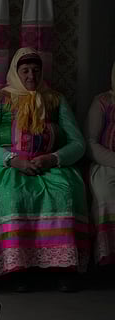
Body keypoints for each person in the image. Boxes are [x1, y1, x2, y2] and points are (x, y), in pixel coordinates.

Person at [0, 47, 89, 292]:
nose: (31, 76)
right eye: (25, 71)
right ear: (16, 72)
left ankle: (61, 267)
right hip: (10, 165)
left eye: (35, 71)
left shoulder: (54, 99)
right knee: (12, 196)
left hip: (48, 163)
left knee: (64, 193)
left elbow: (78, 143)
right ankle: (16, 269)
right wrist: (12, 160)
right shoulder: (0, 99)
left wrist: (53, 158)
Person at [86, 61, 115, 267]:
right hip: (107, 164)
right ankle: (109, 257)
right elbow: (90, 142)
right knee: (107, 194)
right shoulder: (103, 102)